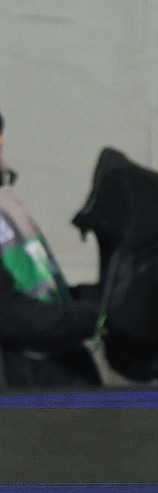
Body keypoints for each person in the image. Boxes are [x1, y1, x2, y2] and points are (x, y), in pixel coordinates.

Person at [0, 108, 101, 387]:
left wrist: (103, 298)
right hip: (22, 389)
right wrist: (96, 318)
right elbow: (9, 313)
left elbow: (40, 290)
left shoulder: (6, 206)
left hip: (55, 373)